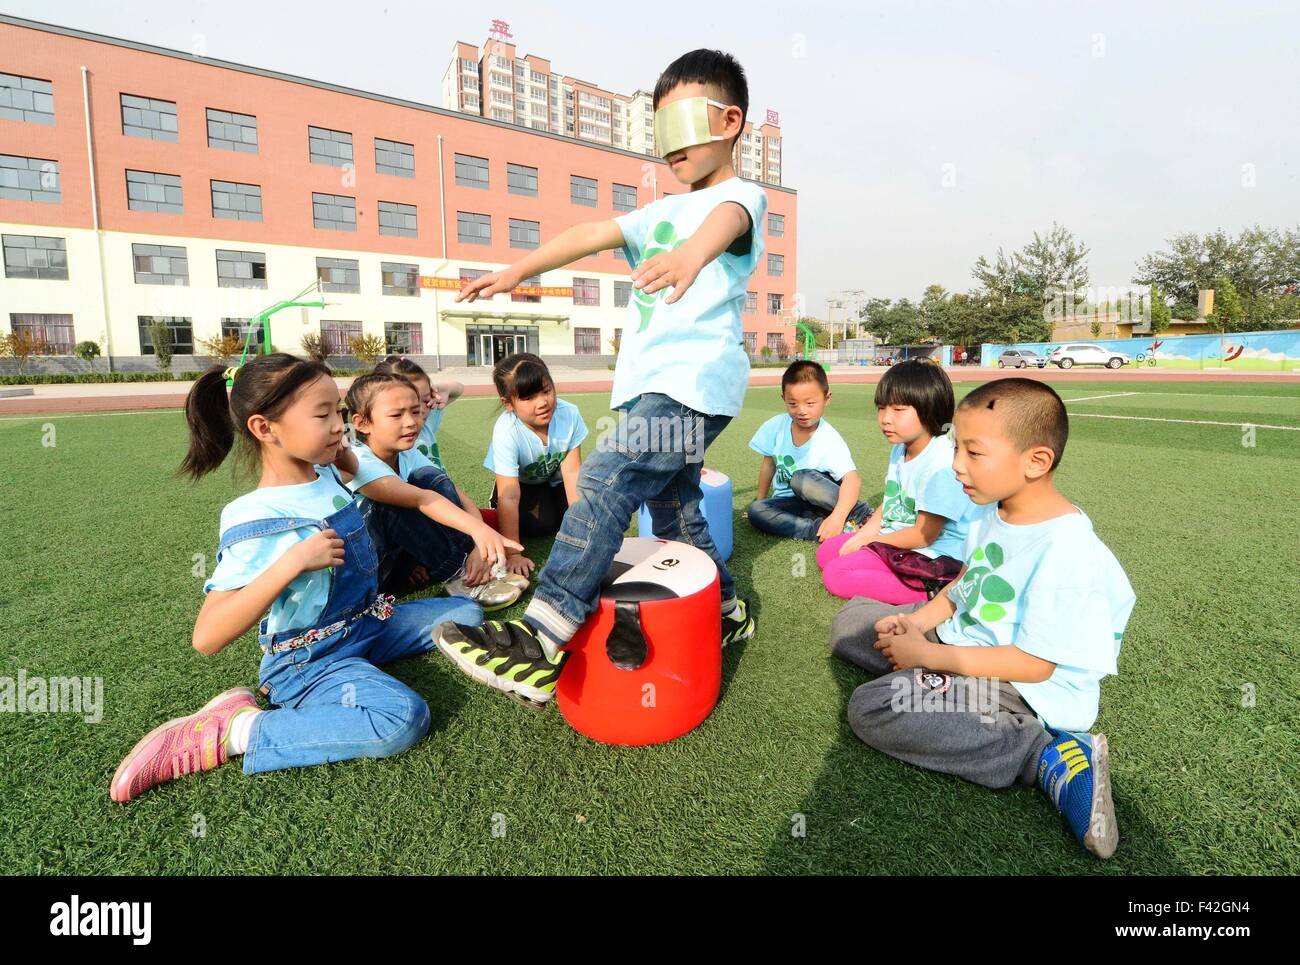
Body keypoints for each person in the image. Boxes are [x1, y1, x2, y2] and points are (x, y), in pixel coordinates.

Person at [435, 48, 768, 707]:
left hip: (695, 383)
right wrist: (516, 271)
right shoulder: (654, 214)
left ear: (729, 121)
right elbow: (589, 231)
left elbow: (727, 224)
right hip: (654, 386)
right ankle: (727, 611)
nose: (668, 146)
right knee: (675, 505)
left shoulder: (738, 197)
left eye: (683, 126)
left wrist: (691, 255)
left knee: (606, 476)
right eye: (659, 130)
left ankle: (543, 634)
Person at [108, 354, 502, 801]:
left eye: (337, 411)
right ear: (264, 428)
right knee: (401, 719)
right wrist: (291, 563)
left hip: (365, 624)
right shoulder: (255, 515)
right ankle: (235, 729)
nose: (338, 425)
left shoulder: (334, 470)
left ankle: (357, 671)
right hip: (309, 659)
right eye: (323, 415)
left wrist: (477, 528)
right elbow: (207, 636)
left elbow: (414, 497)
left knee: (466, 611)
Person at [830, 378, 1136, 858]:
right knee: (853, 622)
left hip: (1021, 686)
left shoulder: (1067, 551)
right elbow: (963, 586)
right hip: (960, 640)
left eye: (974, 453)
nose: (955, 466)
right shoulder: (995, 510)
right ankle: (924, 673)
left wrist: (931, 655)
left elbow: (1037, 665)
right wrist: (917, 624)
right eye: (956, 449)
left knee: (873, 708)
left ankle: (1044, 754)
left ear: (1036, 461)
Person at [817, 359, 974, 603]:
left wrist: (871, 542)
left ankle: (929, 587)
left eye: (898, 410)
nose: (885, 418)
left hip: (933, 554)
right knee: (827, 552)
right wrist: (863, 536)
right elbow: (891, 502)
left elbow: (925, 535)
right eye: (881, 408)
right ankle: (885, 564)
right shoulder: (901, 447)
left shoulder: (941, 462)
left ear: (929, 408)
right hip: (898, 539)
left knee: (837, 574)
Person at [482, 353, 586, 581]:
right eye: (529, 398)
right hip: (521, 485)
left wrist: (582, 532)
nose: (542, 403)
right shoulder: (506, 430)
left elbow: (572, 473)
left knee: (580, 511)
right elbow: (509, 495)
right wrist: (513, 553)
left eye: (546, 391)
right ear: (508, 403)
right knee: (541, 524)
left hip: (554, 479)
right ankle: (496, 507)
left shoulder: (569, 414)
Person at [747, 359, 870, 541]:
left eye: (810, 403)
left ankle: (864, 516)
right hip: (792, 504)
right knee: (756, 511)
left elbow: (853, 480)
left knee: (800, 479)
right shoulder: (775, 426)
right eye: (793, 404)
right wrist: (761, 499)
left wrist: (838, 515)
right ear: (784, 399)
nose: (801, 411)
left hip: (821, 499)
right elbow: (768, 465)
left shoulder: (829, 438)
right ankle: (820, 530)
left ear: (826, 399)